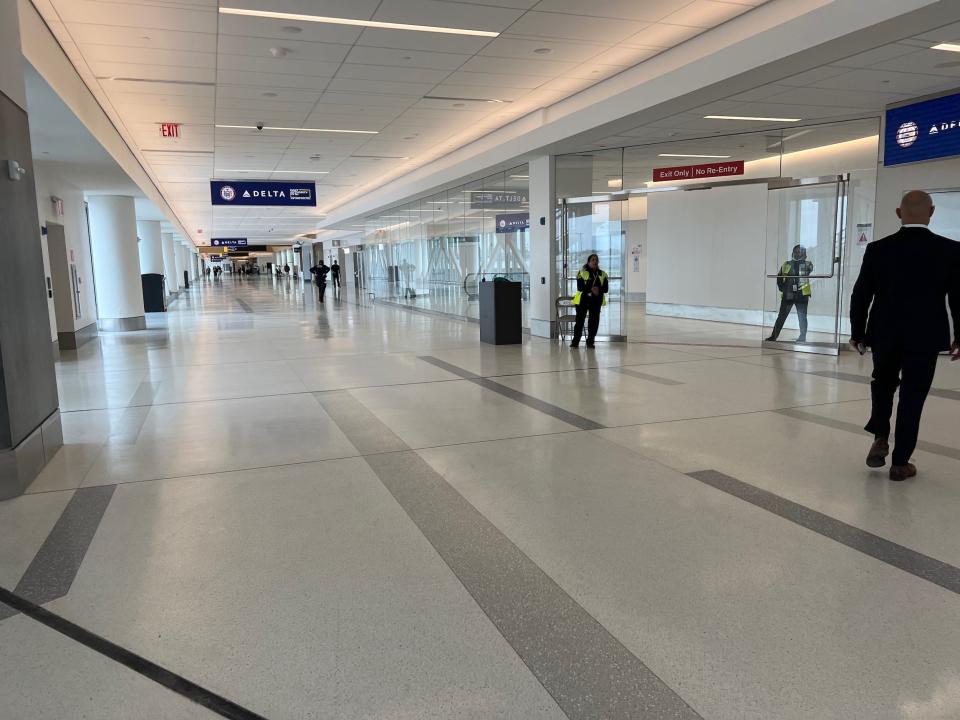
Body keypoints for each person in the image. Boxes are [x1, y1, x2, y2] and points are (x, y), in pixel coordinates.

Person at [850, 190, 960, 481]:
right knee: (913, 395)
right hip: (925, 336)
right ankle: (900, 463)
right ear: (932, 212)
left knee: (883, 384)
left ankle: (881, 436)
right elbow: (959, 299)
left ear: (899, 214)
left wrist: (857, 332)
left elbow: (861, 294)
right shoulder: (951, 250)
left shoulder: (878, 249)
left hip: (885, 333)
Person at [766, 244, 813, 343]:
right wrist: (783, 288)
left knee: (802, 317)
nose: (798, 253)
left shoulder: (807, 264)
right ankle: (773, 336)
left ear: (804, 254)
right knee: (781, 316)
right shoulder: (786, 264)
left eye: (800, 252)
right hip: (789, 294)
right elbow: (779, 278)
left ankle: (802, 337)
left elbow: (807, 271)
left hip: (802, 294)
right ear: (792, 253)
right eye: (796, 251)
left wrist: (802, 260)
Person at [570, 253, 608, 349]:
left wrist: (599, 290)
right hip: (583, 300)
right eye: (593, 260)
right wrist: (591, 289)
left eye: (596, 260)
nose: (595, 261)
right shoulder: (582, 272)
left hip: (596, 300)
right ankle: (575, 342)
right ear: (588, 262)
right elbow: (580, 287)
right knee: (579, 321)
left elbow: (606, 289)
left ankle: (590, 342)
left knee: (594, 322)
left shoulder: (603, 274)